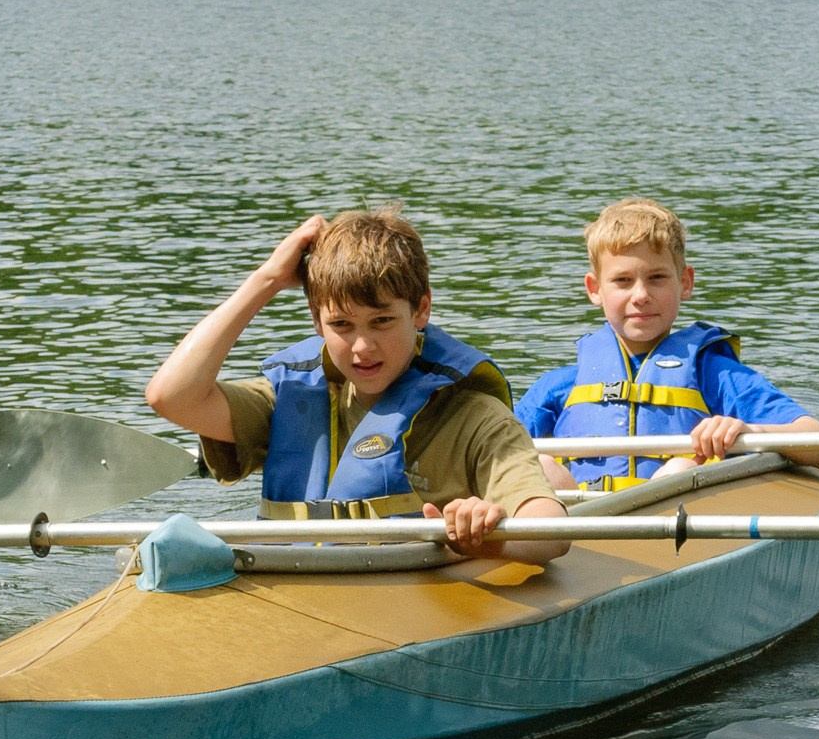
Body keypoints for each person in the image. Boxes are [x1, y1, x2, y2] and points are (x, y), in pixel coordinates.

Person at [145, 207, 569, 564]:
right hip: (289, 589)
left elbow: (550, 531)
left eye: (382, 321)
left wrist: (486, 535)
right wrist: (268, 279)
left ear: (421, 309)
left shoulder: (475, 416)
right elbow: (170, 396)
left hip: (400, 603)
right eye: (341, 325)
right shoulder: (287, 399)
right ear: (317, 321)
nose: (363, 347)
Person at [517, 198, 819, 493]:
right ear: (594, 289)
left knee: (682, 466)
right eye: (623, 281)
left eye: (656, 278)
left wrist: (749, 431)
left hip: (675, 527)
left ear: (685, 282)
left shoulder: (713, 374)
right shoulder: (559, 386)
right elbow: (490, 450)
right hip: (576, 528)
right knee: (539, 465)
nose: (640, 295)